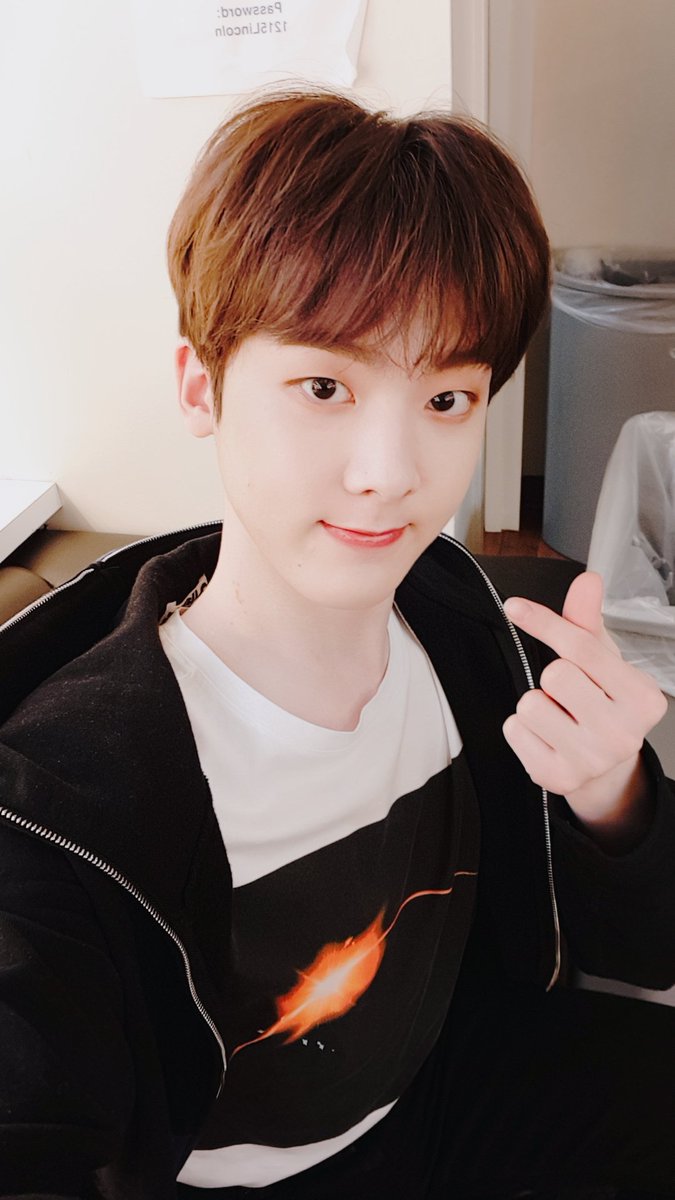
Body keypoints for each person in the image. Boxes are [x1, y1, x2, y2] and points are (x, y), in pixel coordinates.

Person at [0, 88, 674, 1200]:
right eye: (324, 386)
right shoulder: (66, 798)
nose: (390, 473)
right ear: (202, 388)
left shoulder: (469, 623)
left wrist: (615, 800)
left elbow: (631, 947)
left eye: (447, 399)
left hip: (454, 1083)